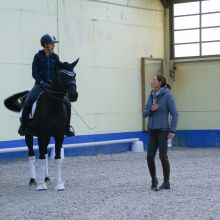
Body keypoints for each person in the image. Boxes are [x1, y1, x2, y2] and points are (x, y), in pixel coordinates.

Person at [18, 34, 75, 136]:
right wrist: (42, 82)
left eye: (54, 44)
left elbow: (60, 70)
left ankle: (67, 128)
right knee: (27, 100)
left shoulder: (55, 57)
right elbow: (34, 73)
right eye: (52, 44)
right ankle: (24, 126)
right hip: (39, 85)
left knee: (67, 103)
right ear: (45, 45)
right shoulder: (37, 57)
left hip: (52, 86)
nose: (54, 46)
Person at [143, 74, 178, 190]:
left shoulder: (167, 95)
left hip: (163, 131)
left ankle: (166, 182)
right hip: (152, 130)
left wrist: (172, 130)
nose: (151, 81)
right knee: (149, 157)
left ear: (160, 82)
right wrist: (150, 110)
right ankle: (154, 180)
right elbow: (144, 113)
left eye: (153, 80)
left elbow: (175, 114)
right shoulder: (151, 95)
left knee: (163, 156)